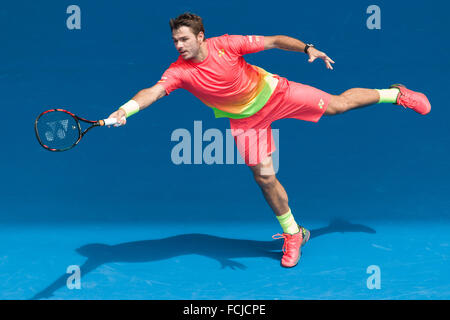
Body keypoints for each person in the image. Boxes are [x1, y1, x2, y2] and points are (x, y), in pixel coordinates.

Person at [107, 12, 431, 268]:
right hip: (245, 121)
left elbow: (275, 40)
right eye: (175, 41)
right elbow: (153, 91)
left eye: (183, 39)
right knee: (264, 177)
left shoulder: (227, 44)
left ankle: (396, 94)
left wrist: (307, 48)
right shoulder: (178, 72)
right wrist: (126, 110)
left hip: (277, 93)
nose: (178, 46)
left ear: (200, 36)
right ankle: (294, 233)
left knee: (337, 105)